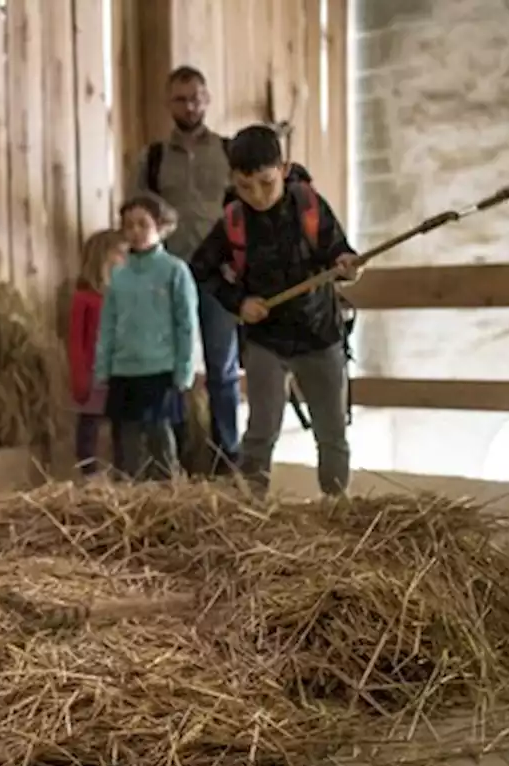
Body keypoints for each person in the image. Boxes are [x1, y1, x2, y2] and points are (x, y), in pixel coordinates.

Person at [189, 125, 360, 499]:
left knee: (331, 431)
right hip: (267, 341)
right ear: (234, 180)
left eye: (266, 183)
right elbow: (200, 267)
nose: (258, 196)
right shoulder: (233, 220)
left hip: (320, 334)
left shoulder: (310, 206)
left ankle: (336, 507)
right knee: (261, 430)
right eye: (245, 186)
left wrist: (347, 264)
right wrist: (239, 303)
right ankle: (251, 506)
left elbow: (338, 251)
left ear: (282, 169)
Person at [132, 65, 240, 473]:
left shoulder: (229, 152)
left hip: (219, 277)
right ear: (168, 103)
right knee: (167, 368)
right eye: (180, 98)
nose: (190, 105)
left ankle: (228, 459)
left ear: (207, 100)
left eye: (196, 97)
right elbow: (136, 215)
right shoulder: (153, 158)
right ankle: (174, 458)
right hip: (168, 276)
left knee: (223, 370)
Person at [93, 193, 198, 480]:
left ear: (160, 226)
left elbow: (186, 323)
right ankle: (130, 498)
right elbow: (108, 323)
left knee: (160, 440)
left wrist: (184, 370)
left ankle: (169, 496)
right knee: (126, 444)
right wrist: (103, 366)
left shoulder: (175, 271)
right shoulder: (119, 275)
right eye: (129, 226)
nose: (136, 232)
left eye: (143, 224)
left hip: (160, 370)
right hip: (124, 370)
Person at [68, 229, 128, 476]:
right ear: (103, 256)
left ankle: (124, 473)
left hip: (121, 371)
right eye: (121, 253)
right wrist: (80, 376)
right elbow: (75, 341)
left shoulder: (124, 296)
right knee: (89, 425)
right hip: (94, 374)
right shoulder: (84, 298)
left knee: (122, 428)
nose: (125, 258)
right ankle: (88, 473)